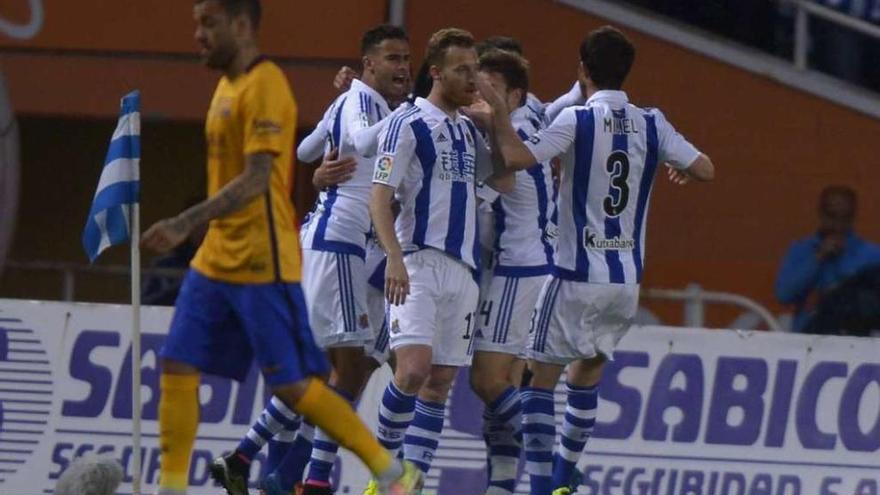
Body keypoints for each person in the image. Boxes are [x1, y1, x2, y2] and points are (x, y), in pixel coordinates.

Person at [141, 2, 422, 494]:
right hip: (257, 251)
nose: (198, 35)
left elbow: (264, 174)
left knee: (310, 379)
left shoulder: (268, 85)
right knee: (179, 362)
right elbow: (305, 155)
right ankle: (183, 484)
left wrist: (186, 221)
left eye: (209, 23)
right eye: (196, 23)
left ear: (242, 26)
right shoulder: (229, 89)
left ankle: (382, 470)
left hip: (269, 257)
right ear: (370, 65)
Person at [479, 25, 714, 495]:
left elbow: (515, 156)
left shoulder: (578, 121)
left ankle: (544, 485)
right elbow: (705, 168)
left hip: (574, 274)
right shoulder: (652, 122)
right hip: (625, 281)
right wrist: (678, 166)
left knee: (534, 381)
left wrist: (500, 114)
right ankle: (567, 468)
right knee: (587, 370)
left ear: (583, 69)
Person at [219, 24, 413, 495]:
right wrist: (409, 111)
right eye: (391, 58)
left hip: (344, 245)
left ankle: (255, 461)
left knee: (336, 369)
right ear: (368, 63)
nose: (403, 68)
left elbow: (307, 150)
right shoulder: (371, 103)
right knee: (349, 369)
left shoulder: (356, 99)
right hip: (343, 245)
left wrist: (329, 146)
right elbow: (365, 141)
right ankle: (312, 479)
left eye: (406, 59)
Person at [363, 27, 516, 493]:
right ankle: (381, 470)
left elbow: (506, 179)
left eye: (476, 69)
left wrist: (496, 119)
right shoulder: (407, 123)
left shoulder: (469, 129)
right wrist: (393, 258)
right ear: (436, 73)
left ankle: (408, 484)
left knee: (440, 381)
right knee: (411, 370)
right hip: (417, 261)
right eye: (462, 70)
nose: (472, 78)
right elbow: (379, 197)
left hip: (463, 270)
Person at [466, 49, 556, 495]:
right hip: (534, 264)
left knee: (485, 380)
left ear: (516, 95)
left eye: (492, 92)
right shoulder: (528, 122)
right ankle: (501, 486)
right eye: (477, 89)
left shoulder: (507, 134)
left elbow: (486, 195)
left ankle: (553, 470)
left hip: (517, 269)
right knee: (503, 386)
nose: (481, 99)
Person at [776, 186, 880, 332]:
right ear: (821, 214)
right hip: (807, 339)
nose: (838, 225)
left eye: (845, 218)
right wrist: (817, 258)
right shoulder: (801, 249)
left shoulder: (872, 255)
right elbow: (784, 295)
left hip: (855, 341)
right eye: (832, 216)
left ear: (853, 217)